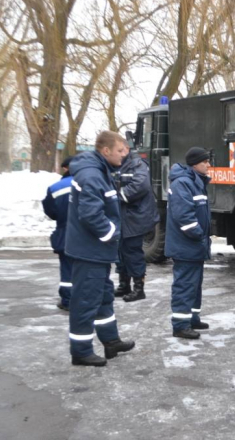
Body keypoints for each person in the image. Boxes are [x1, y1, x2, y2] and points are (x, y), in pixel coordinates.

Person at [65, 131, 135, 367]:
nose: (124, 155)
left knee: (103, 296)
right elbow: (90, 215)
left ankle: (110, 341)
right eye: (119, 151)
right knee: (86, 300)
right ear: (106, 151)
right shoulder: (93, 175)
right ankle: (81, 351)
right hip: (90, 251)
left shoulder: (100, 171)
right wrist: (111, 235)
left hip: (96, 252)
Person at [165, 147, 212, 340]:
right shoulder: (183, 183)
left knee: (194, 283)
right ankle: (180, 325)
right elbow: (184, 216)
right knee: (185, 284)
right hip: (187, 245)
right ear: (195, 164)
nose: (209, 164)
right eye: (205, 161)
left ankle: (192, 317)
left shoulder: (194, 181)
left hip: (193, 245)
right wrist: (199, 235)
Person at [113, 141, 160, 302]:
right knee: (121, 251)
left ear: (127, 148)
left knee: (132, 252)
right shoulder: (117, 164)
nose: (119, 152)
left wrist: (117, 196)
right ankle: (123, 284)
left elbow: (140, 186)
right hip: (124, 215)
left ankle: (138, 289)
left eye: (121, 148)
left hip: (135, 217)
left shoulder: (137, 164)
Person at [42, 156, 74, 312]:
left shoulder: (55, 188)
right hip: (88, 235)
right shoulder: (92, 183)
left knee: (67, 269)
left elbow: (50, 211)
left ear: (65, 168)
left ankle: (67, 301)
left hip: (65, 233)